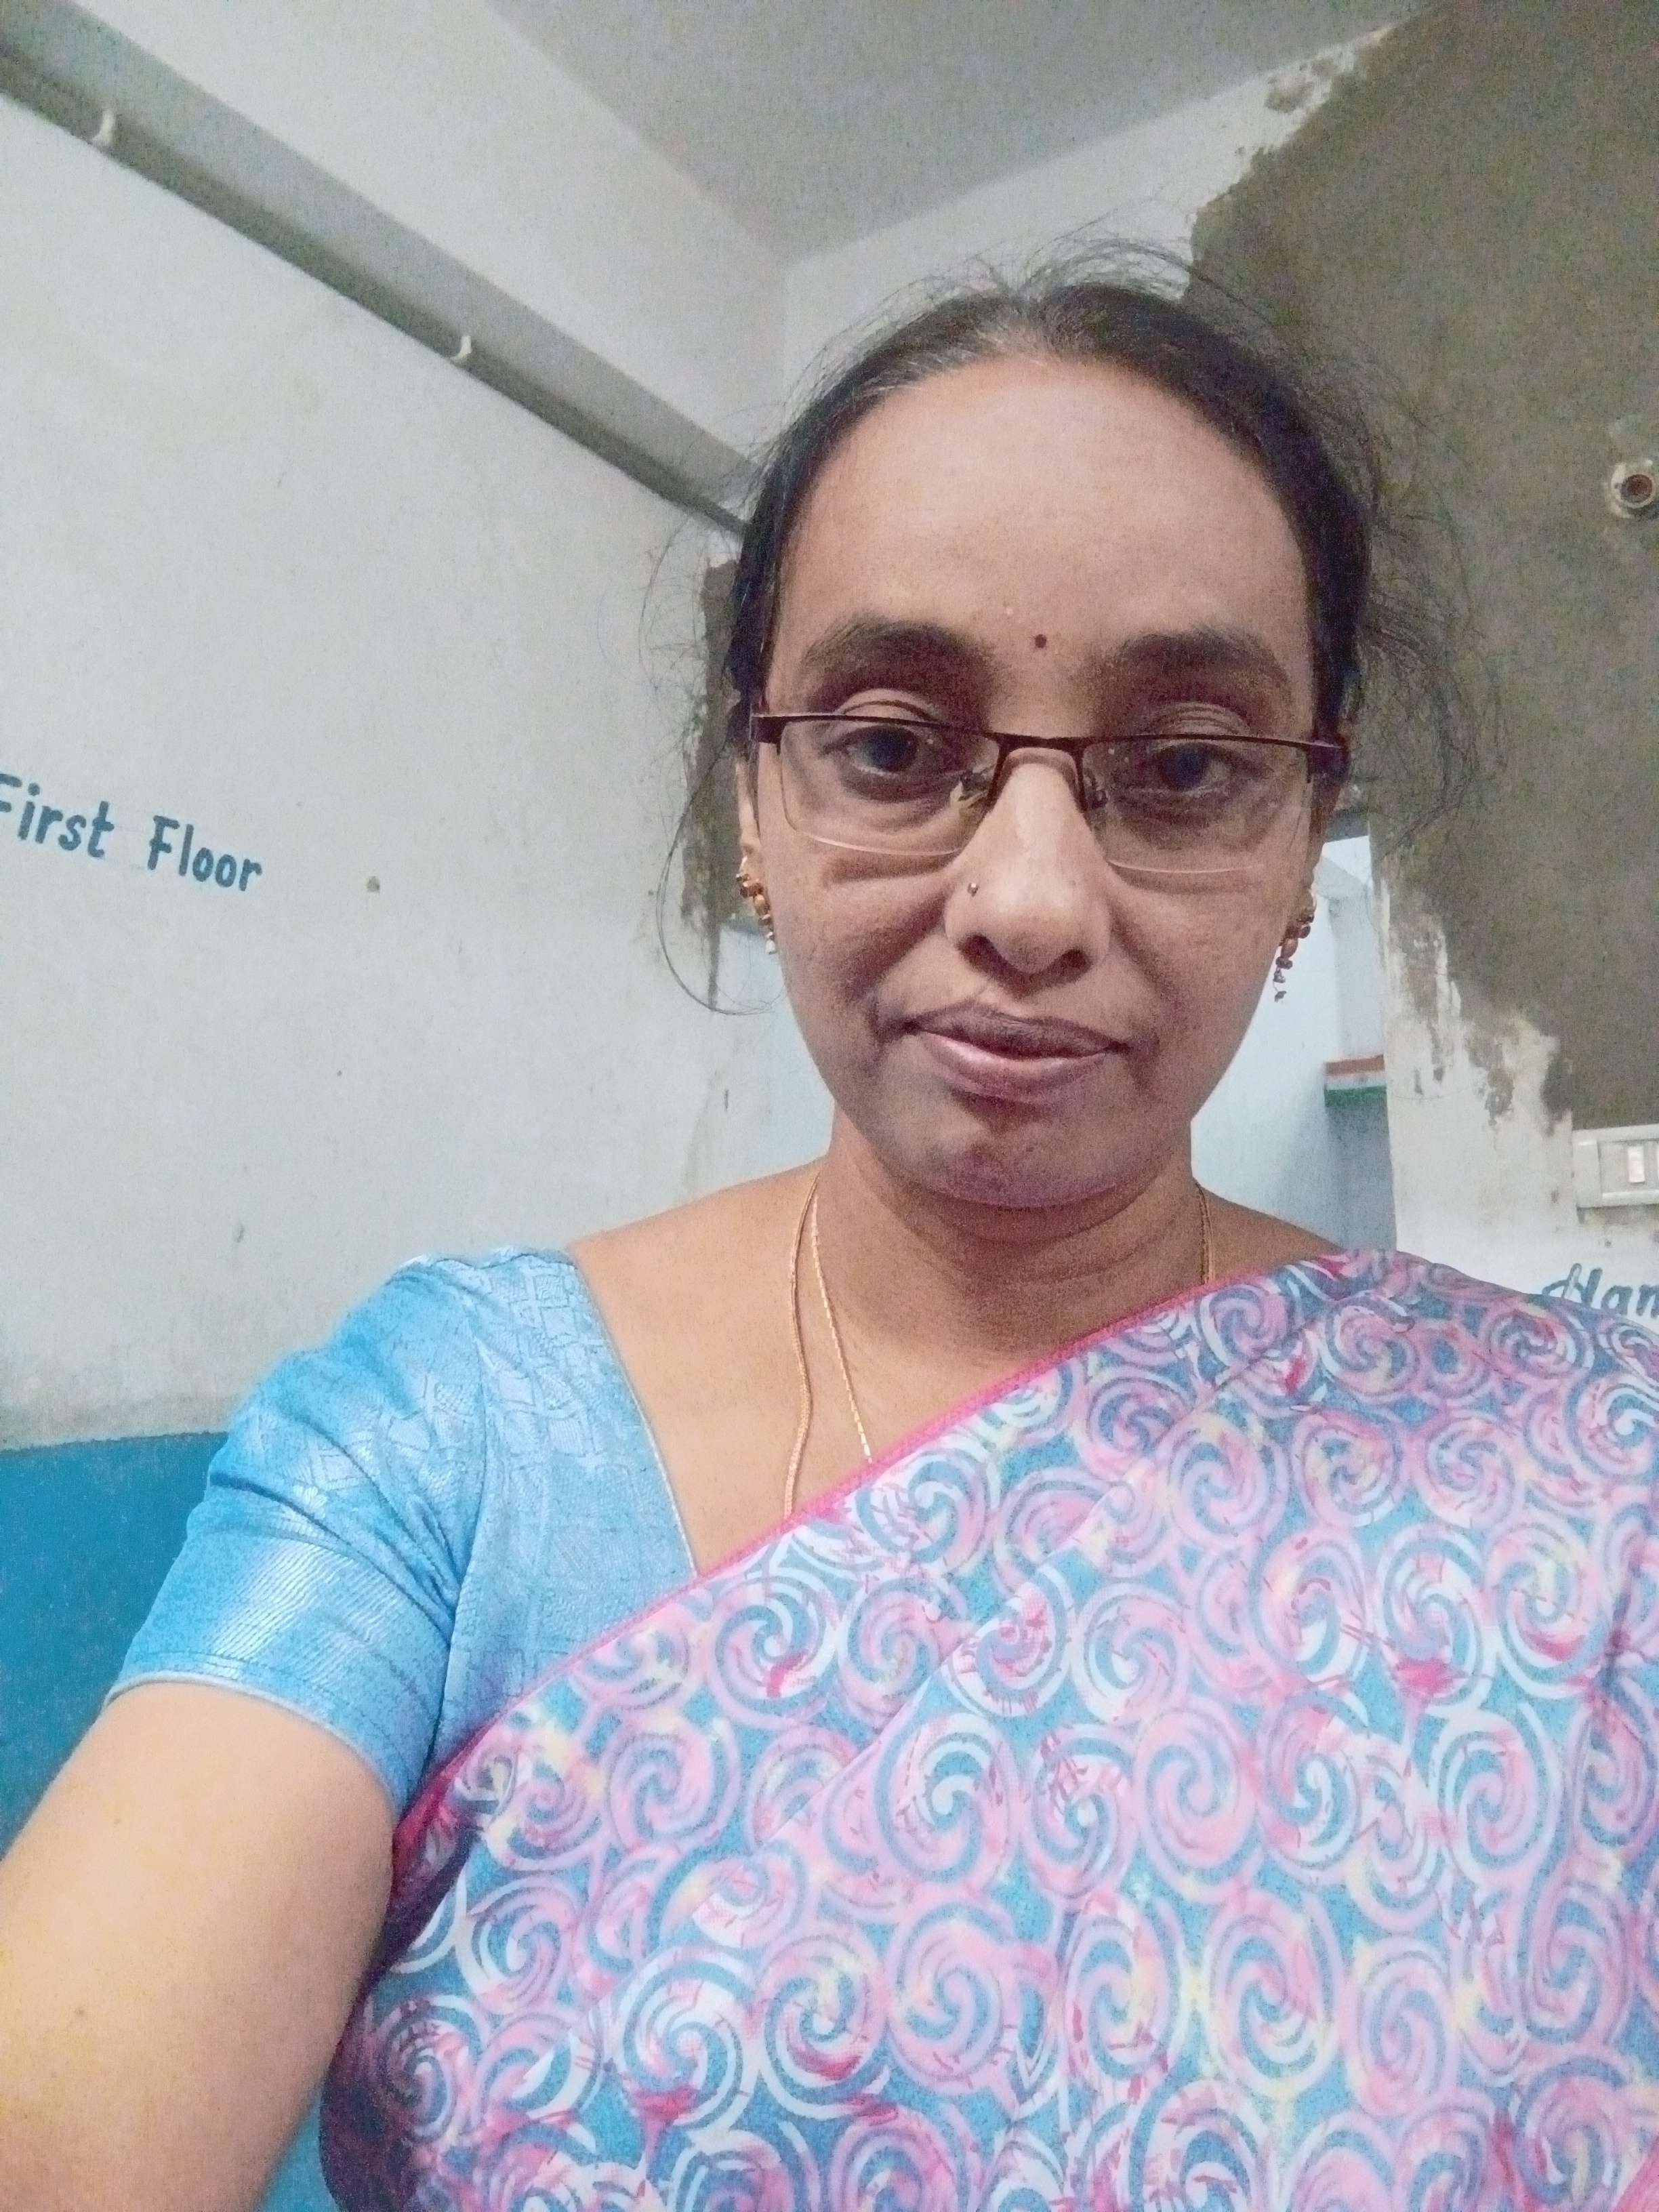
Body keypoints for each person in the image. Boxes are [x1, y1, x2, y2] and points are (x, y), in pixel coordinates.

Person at [3, 255, 1657, 2212]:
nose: (1031, 900)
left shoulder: (1586, 1477)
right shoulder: (445, 1447)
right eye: (889, 745)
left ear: (1305, 842)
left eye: (1186, 769)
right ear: (757, 806)